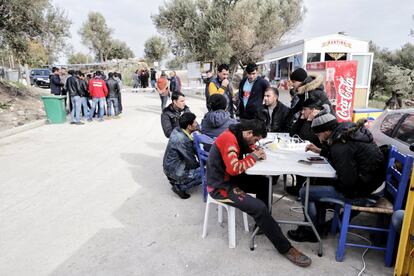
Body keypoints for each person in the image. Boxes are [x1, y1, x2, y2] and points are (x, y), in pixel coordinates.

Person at [206, 119, 312, 267]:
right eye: (255, 139)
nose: (254, 143)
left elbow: (246, 147)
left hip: (229, 179)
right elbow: (234, 168)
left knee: (263, 184)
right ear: (249, 133)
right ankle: (286, 248)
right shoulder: (229, 139)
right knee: (259, 207)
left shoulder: (238, 133)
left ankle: (263, 224)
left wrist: (254, 150)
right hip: (220, 186)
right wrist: (255, 156)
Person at [287, 112, 385, 242]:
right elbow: (346, 159)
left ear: (327, 131)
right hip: (373, 185)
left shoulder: (340, 145)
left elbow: (347, 182)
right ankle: (318, 226)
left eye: (318, 134)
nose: (318, 138)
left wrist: (331, 182)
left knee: (305, 192)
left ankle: (311, 231)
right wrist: (321, 151)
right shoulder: (347, 131)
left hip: (365, 193)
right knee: (318, 182)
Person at [163, 112, 201, 199]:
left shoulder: (178, 129)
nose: (196, 124)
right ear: (189, 126)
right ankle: (180, 187)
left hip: (169, 167)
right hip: (173, 171)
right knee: (205, 173)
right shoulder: (183, 140)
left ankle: (175, 180)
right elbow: (191, 161)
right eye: (195, 122)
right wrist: (200, 167)